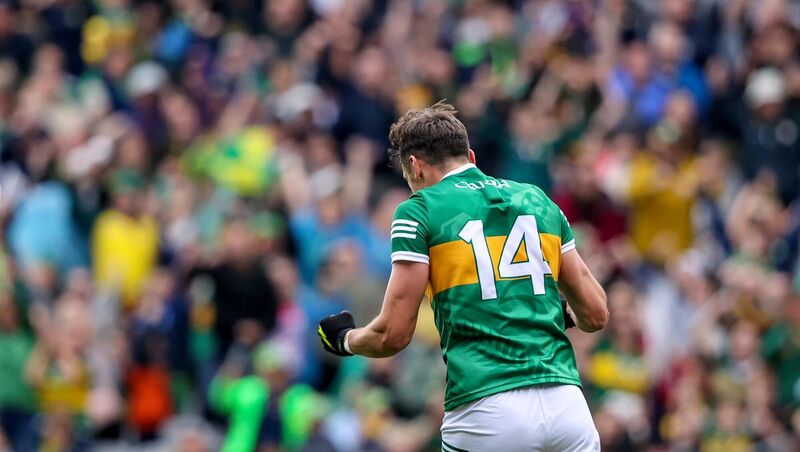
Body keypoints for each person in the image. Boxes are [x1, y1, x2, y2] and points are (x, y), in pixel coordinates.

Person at [317, 102, 609, 451]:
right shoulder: (537, 199)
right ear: (469, 156)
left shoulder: (419, 209)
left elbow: (392, 335)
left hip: (486, 405)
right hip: (567, 405)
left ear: (414, 166)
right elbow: (595, 314)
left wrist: (345, 339)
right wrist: (562, 314)